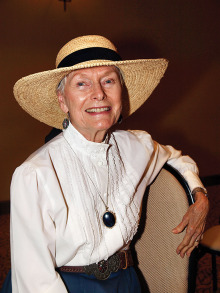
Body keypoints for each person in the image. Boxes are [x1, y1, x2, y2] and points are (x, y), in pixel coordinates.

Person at [4, 35, 209, 293]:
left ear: (120, 92)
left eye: (108, 81)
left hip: (126, 282)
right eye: (82, 84)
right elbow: (34, 280)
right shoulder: (35, 174)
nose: (98, 93)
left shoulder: (137, 146)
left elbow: (176, 158)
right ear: (62, 101)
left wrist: (199, 196)